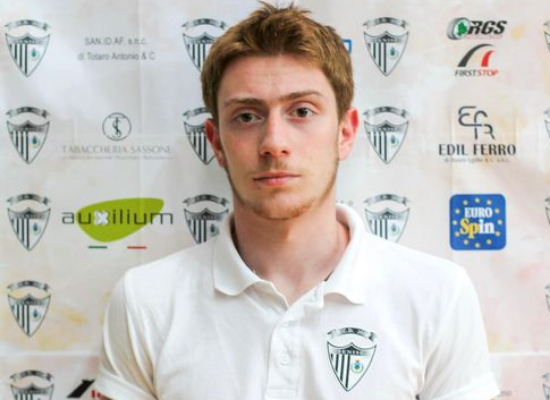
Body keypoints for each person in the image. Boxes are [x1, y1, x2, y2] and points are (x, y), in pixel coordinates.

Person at [95, 3, 500, 399]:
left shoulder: (436, 294)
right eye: (247, 116)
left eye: (302, 111)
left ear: (345, 132)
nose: (274, 142)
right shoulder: (146, 299)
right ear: (216, 143)